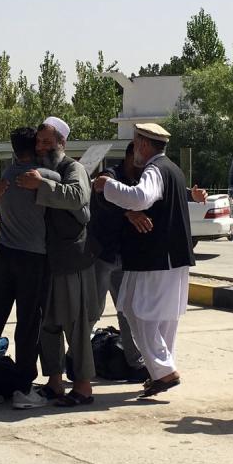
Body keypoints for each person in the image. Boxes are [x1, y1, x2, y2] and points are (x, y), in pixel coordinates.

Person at [92, 123, 195, 398]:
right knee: (163, 317)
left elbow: (141, 198)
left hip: (155, 257)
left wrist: (107, 186)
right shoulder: (173, 169)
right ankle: (161, 370)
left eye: (137, 143)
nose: (135, 149)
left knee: (136, 310)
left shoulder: (155, 170)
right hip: (172, 258)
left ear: (145, 145)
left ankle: (163, 370)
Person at [0, 127, 59, 406]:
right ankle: (23, 389)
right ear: (36, 146)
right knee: (29, 324)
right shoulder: (42, 176)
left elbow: (0, 204)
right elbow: (70, 183)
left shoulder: (4, 178)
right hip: (32, 259)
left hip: (4, 257)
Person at [16, 116, 100, 407]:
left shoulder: (72, 168)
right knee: (48, 326)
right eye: (39, 142)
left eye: (47, 142)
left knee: (74, 326)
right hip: (46, 261)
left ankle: (83, 388)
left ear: (61, 143)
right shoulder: (38, 169)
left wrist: (42, 186)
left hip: (71, 260)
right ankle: (54, 384)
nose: (41, 147)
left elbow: (77, 197)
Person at [88, 143, 149, 381]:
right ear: (129, 158)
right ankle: (75, 361)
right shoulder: (111, 175)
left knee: (128, 311)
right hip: (102, 256)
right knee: (92, 312)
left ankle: (135, 363)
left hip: (124, 258)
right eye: (139, 161)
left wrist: (191, 195)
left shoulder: (141, 180)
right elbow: (101, 193)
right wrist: (127, 212)